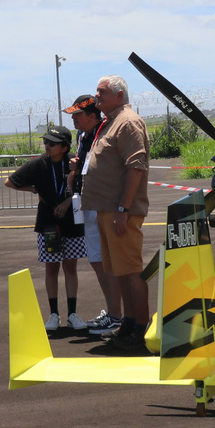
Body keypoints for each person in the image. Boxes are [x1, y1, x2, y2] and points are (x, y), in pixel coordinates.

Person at [82, 75, 151, 350]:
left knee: (131, 271)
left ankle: (142, 329)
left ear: (119, 95)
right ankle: (129, 323)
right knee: (120, 271)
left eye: (102, 93)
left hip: (120, 213)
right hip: (107, 212)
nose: (96, 97)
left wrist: (123, 208)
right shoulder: (112, 121)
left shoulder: (128, 122)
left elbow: (136, 167)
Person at [6, 125, 88, 331]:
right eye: (46, 142)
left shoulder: (74, 163)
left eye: (52, 143)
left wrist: (68, 201)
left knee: (71, 267)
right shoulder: (38, 164)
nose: (47, 146)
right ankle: (53, 315)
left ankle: (72, 314)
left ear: (64, 146)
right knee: (52, 267)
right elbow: (10, 181)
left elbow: (85, 185)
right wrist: (34, 189)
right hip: (49, 225)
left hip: (72, 222)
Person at [63, 94, 122, 335]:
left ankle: (117, 315)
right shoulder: (83, 135)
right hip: (87, 203)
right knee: (97, 261)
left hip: (101, 204)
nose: (73, 120)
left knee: (105, 261)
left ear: (91, 115)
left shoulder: (104, 132)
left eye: (77, 115)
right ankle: (113, 312)